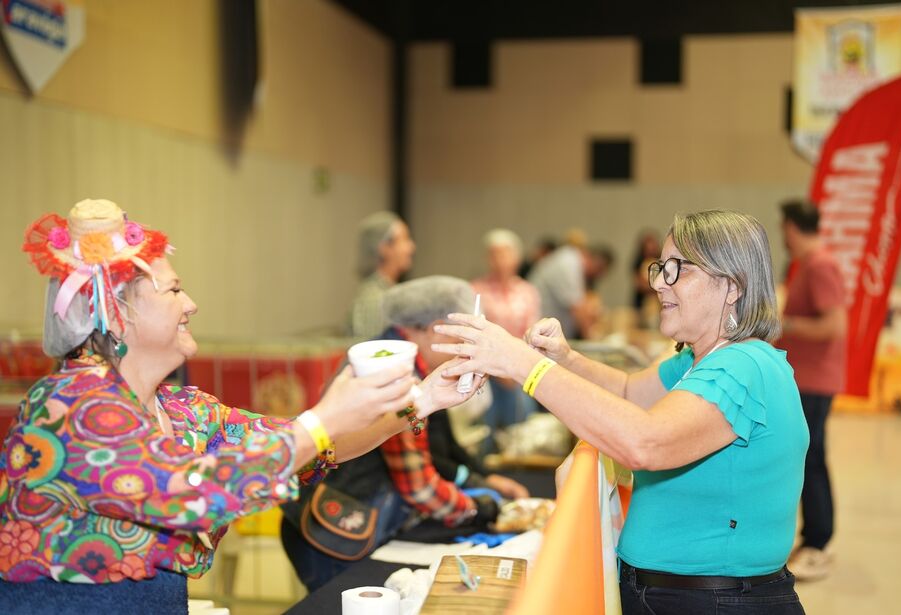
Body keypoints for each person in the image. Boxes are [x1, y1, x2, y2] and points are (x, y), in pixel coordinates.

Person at [1, 200, 478, 612]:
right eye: (172, 290)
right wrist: (321, 421)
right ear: (116, 313)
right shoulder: (69, 406)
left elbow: (310, 448)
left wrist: (425, 397)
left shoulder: (185, 409)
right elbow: (188, 493)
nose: (191, 303)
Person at [433, 210, 808, 614]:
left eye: (678, 269)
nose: (661, 283)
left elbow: (645, 443)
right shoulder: (704, 358)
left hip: (714, 601)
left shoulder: (740, 368)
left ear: (731, 286)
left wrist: (525, 366)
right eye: (661, 267)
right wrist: (564, 358)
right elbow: (630, 392)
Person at [281, 276, 528, 591]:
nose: (468, 349)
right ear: (439, 328)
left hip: (327, 523)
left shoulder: (383, 353)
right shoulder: (396, 372)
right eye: (466, 337)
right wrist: (476, 508)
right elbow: (418, 487)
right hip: (334, 533)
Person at [775, 200, 847, 581]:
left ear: (791, 227)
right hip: (806, 377)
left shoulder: (820, 265)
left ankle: (819, 541)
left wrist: (785, 323)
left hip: (815, 380)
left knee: (813, 458)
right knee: (809, 457)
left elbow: (834, 326)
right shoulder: (809, 266)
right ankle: (812, 538)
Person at [471, 229, 541, 446]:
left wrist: (512, 366)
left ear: (517, 258)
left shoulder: (527, 291)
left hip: (519, 370)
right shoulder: (476, 290)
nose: (499, 260)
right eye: (494, 254)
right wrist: (499, 368)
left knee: (521, 429)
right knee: (485, 431)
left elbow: (532, 333)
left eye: (505, 254)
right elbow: (474, 332)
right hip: (485, 371)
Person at [348, 211, 416, 339]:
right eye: (405, 239)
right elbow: (373, 354)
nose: (411, 247)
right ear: (384, 248)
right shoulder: (375, 300)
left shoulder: (387, 292)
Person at [527, 240, 613, 339]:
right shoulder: (569, 264)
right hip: (540, 332)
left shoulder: (570, 260)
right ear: (598, 264)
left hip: (543, 331)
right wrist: (592, 340)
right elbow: (578, 310)